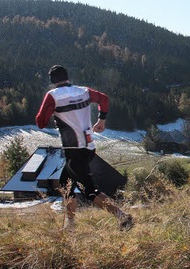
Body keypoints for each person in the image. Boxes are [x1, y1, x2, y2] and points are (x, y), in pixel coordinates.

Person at [36, 65, 133, 231]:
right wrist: (102, 120)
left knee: (89, 191)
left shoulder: (52, 96)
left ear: (52, 81)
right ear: (67, 77)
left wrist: (53, 112)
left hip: (74, 149)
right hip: (88, 147)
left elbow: (40, 122)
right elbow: (104, 99)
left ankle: (123, 216)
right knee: (66, 183)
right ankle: (70, 225)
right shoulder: (83, 91)